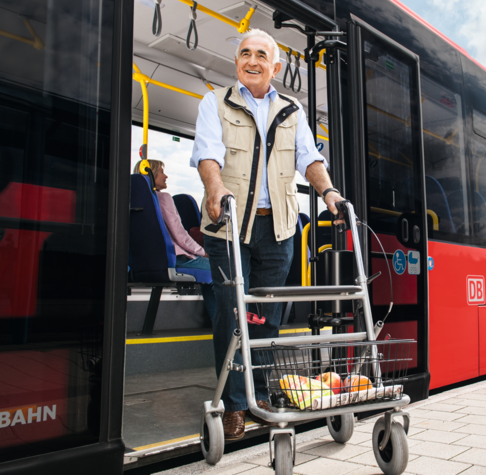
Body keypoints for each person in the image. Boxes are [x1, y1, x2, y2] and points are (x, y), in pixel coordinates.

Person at [190, 28, 345, 440]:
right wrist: (214, 187)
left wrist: (328, 190)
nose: (252, 60)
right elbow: (207, 152)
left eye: (261, 54)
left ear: (275, 67)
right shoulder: (215, 102)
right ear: (237, 62)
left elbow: (309, 158)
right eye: (245, 53)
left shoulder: (292, 110)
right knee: (232, 312)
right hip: (228, 225)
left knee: (266, 317)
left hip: (278, 228)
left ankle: (258, 395)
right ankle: (233, 405)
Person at [133, 160, 216, 322]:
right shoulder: (163, 198)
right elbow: (180, 236)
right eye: (161, 172)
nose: (166, 176)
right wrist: (203, 252)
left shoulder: (136, 201)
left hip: (150, 262)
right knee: (222, 271)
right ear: (150, 174)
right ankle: (225, 326)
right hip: (177, 259)